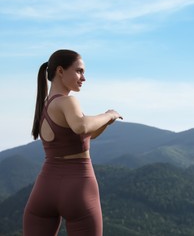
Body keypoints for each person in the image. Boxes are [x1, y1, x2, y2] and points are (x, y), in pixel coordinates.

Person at [23, 49, 122, 236]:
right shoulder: (68, 102)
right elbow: (81, 126)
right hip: (78, 186)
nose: (83, 78)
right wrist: (109, 114)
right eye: (79, 71)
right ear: (60, 71)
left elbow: (86, 135)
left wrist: (106, 123)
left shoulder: (44, 105)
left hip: (44, 188)